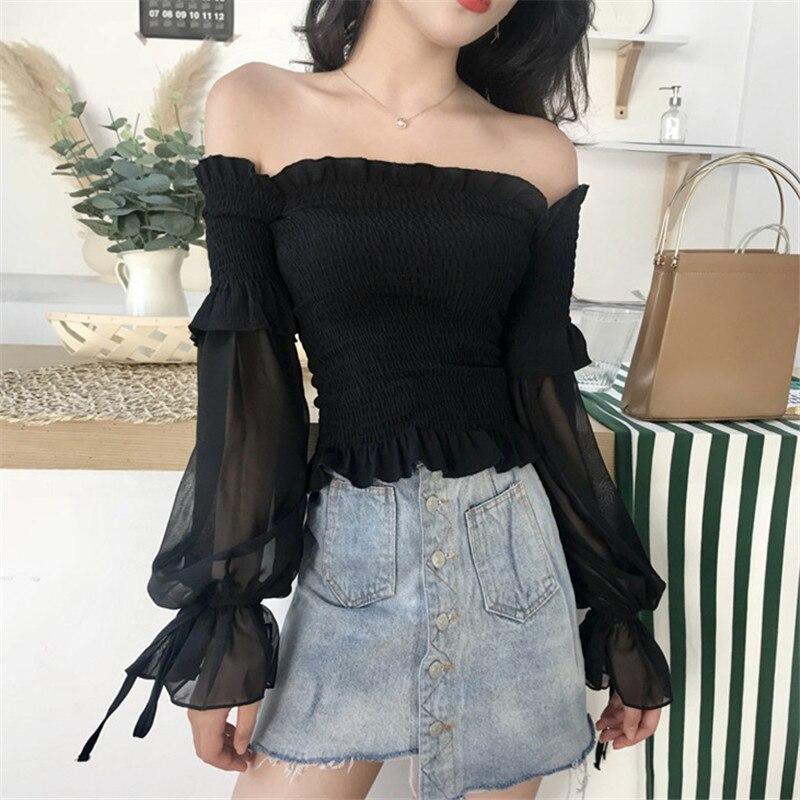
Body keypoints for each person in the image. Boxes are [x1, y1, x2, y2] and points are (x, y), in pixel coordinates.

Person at [77, 1, 672, 798]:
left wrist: (619, 614)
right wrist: (228, 619)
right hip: (352, 557)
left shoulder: (539, 153)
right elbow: (251, 379)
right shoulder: (257, 103)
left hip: (512, 563)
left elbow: (542, 392)